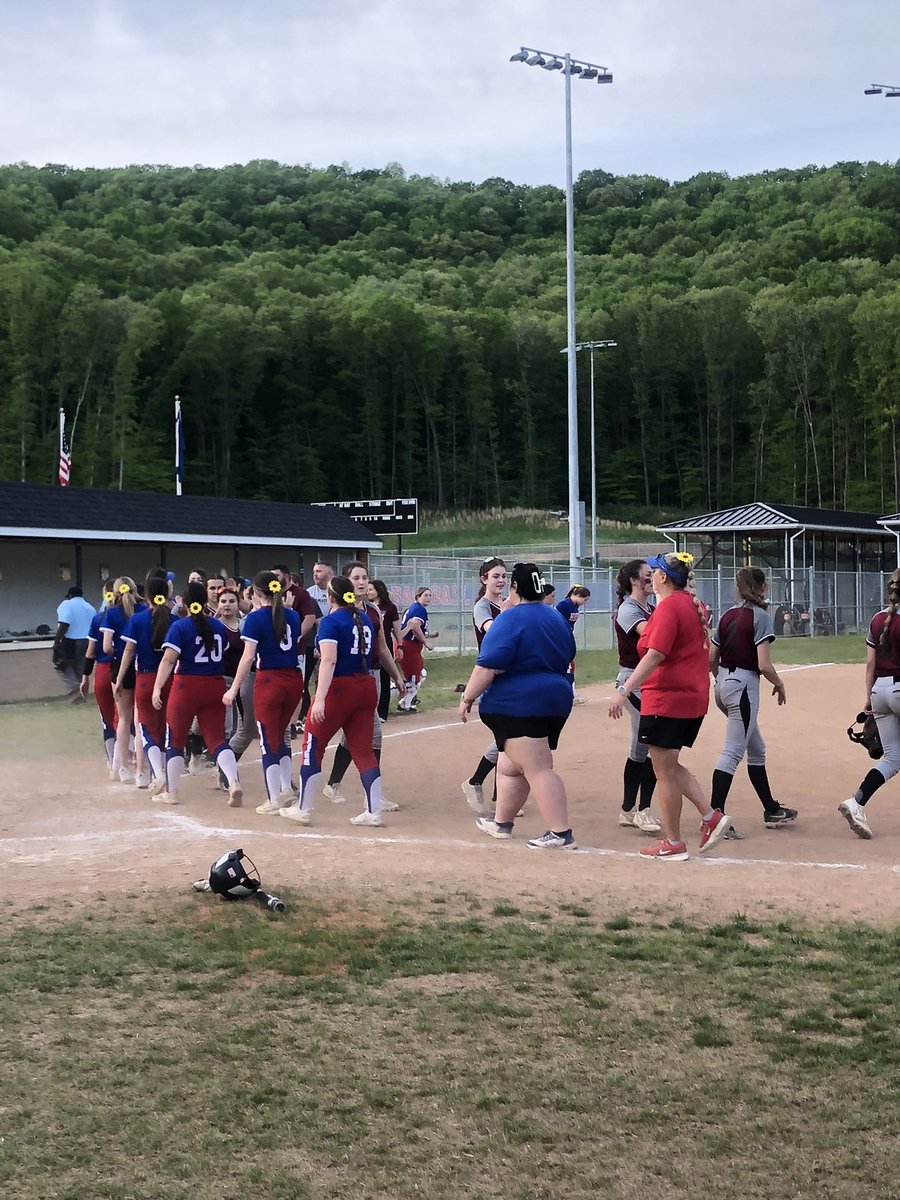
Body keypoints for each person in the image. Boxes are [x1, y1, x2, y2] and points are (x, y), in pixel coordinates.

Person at [608, 551, 729, 861]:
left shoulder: (668, 608)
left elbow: (655, 654)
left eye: (655, 572)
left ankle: (673, 842)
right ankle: (710, 816)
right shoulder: (693, 604)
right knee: (670, 766)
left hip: (667, 698)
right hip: (690, 698)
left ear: (663, 577)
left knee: (664, 771)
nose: (652, 576)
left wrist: (625, 689)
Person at [459, 562, 577, 850]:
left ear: (514, 588)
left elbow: (488, 666)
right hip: (556, 697)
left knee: (537, 767)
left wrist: (467, 698)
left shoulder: (510, 618)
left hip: (520, 702)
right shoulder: (555, 617)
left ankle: (561, 832)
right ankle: (502, 823)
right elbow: (569, 653)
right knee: (510, 765)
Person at [279, 576, 386, 828]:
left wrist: (320, 699)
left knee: (312, 746)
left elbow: (329, 661)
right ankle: (374, 810)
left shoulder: (330, 621)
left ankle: (304, 807)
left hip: (340, 688)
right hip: (365, 686)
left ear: (330, 598)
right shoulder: (363, 620)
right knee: (363, 751)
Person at [710, 566, 796, 830]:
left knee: (756, 749)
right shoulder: (759, 616)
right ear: (761, 587)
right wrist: (779, 683)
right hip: (744, 687)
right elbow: (763, 664)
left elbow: (712, 658)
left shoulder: (727, 615)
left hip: (723, 684)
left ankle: (771, 810)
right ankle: (713, 817)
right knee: (733, 752)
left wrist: (721, 680)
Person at [320, 562, 406, 810]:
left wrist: (397, 676)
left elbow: (382, 647)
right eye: (356, 577)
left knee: (359, 736)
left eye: (365, 577)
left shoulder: (372, 611)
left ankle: (335, 784)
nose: (362, 582)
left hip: (371, 677)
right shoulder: (336, 614)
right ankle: (370, 795)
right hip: (344, 680)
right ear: (346, 582)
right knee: (371, 735)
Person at [151, 581, 243, 807]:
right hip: (215, 684)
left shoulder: (181, 627)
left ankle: (171, 792)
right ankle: (233, 781)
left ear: (183, 600)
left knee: (175, 739)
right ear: (206, 601)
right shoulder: (218, 626)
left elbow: (168, 659)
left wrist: (156, 687)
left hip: (187, 685)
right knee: (217, 740)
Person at [224, 572, 303, 815]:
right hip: (293, 678)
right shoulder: (292, 614)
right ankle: (285, 787)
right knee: (282, 734)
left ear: (257, 593)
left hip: (270, 679)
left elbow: (248, 657)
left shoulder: (256, 619)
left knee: (268, 740)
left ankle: (274, 798)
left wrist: (234, 688)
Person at [839, 567, 900, 839]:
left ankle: (857, 802)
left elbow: (870, 664)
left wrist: (868, 699)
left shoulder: (878, 619)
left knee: (893, 758)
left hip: (879, 692)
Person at [613, 560, 661, 834]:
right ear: (633, 580)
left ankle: (629, 809)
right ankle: (641, 810)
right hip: (632, 681)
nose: (651, 580)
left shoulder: (649, 607)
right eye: (646, 577)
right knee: (650, 743)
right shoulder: (629, 609)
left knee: (641, 749)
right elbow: (652, 635)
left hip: (648, 681)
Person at [117, 573, 176, 797]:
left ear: (146, 596)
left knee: (146, 728)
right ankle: (166, 777)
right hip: (170, 679)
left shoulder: (138, 619)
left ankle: (157, 773)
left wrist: (120, 678)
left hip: (145, 679)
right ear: (168, 594)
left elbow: (129, 652)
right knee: (167, 728)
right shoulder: (174, 620)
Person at [460, 557, 507, 814]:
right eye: (495, 576)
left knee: (509, 739)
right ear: (484, 579)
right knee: (507, 739)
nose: (501, 580)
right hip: (492, 676)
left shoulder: (507, 604)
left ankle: (498, 796)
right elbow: (493, 630)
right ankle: (476, 781)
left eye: (503, 576)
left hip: (509, 675)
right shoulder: (483, 607)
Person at [100, 576, 146, 785]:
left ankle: (123, 768)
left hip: (120, 666)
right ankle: (141, 770)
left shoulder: (111, 613)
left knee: (124, 718)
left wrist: (119, 654)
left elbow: (106, 647)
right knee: (139, 720)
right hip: (142, 666)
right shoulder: (144, 610)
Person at [79, 585, 118, 774]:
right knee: (128, 717)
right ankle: (132, 760)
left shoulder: (99, 618)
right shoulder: (131, 615)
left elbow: (91, 651)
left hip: (104, 670)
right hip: (126, 670)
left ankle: (113, 763)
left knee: (108, 720)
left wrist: (85, 676)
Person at [367, 578, 403, 722]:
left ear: (379, 591)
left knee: (383, 678)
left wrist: (399, 645)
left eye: (371, 589)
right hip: (369, 646)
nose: (368, 592)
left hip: (384, 644)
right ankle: (371, 710)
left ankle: (382, 712)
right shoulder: (366, 607)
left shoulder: (389, 607)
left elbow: (396, 628)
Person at [398, 586, 439, 711]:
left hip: (410, 646)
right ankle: (397, 696)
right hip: (409, 647)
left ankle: (406, 702)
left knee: (420, 674)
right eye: (425, 595)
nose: (428, 598)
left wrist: (430, 635)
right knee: (413, 679)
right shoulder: (419, 609)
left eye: (429, 595)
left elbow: (415, 630)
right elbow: (415, 627)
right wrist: (426, 642)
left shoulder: (414, 608)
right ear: (418, 597)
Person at [52, 586, 96, 698]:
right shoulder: (90, 607)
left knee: (62, 664)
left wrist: (56, 642)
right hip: (88, 641)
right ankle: (81, 695)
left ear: (70, 595)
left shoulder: (66, 604)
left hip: (72, 640)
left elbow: (64, 624)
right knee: (80, 668)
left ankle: (75, 687)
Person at [556, 585, 591, 704]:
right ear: (578, 596)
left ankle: (572, 694)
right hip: (560, 638)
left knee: (570, 667)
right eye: (584, 599)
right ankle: (569, 695)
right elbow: (556, 620)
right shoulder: (564, 605)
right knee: (568, 667)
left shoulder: (574, 606)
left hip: (567, 638)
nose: (584, 602)